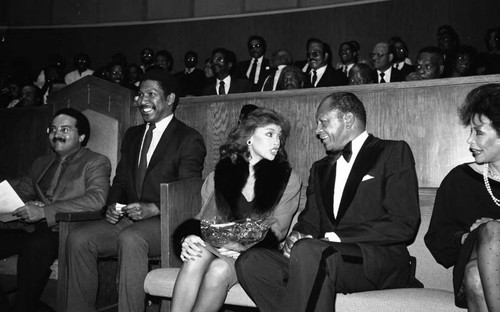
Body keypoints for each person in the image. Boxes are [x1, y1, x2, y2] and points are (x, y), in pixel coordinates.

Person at [236, 92, 421, 312]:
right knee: (250, 262)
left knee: (310, 252)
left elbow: (403, 224)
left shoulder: (392, 152)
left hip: (375, 259)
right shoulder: (320, 168)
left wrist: (337, 237)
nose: (317, 131)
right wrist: (298, 234)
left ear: (348, 119)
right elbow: (310, 221)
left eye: (323, 122)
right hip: (322, 257)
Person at [66, 69, 207, 312]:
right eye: (140, 94)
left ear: (170, 99)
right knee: (79, 239)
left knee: (131, 239)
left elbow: (189, 193)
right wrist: (111, 206)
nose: (142, 101)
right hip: (128, 219)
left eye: (151, 94)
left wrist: (155, 208)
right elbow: (120, 180)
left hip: (166, 222)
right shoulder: (132, 135)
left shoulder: (188, 138)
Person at [170, 107, 301, 312]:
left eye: (279, 136)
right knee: (195, 254)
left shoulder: (287, 179)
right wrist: (189, 237)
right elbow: (203, 218)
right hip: (217, 247)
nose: (277, 142)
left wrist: (238, 246)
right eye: (269, 134)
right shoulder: (220, 174)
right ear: (249, 137)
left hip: (255, 256)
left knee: (219, 269)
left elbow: (278, 230)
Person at [0, 108, 111, 312]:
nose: (57, 134)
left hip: (65, 230)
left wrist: (46, 211)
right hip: (30, 228)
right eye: (52, 129)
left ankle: (23, 307)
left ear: (82, 136)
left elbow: (97, 200)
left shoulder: (96, 161)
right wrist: (25, 203)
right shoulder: (40, 162)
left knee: (36, 246)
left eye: (65, 129)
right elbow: (22, 192)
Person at [425, 83, 500, 311]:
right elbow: (437, 241)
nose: (469, 141)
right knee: (485, 243)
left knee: (476, 274)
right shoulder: (460, 179)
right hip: (469, 269)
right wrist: (471, 236)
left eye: (478, 132)